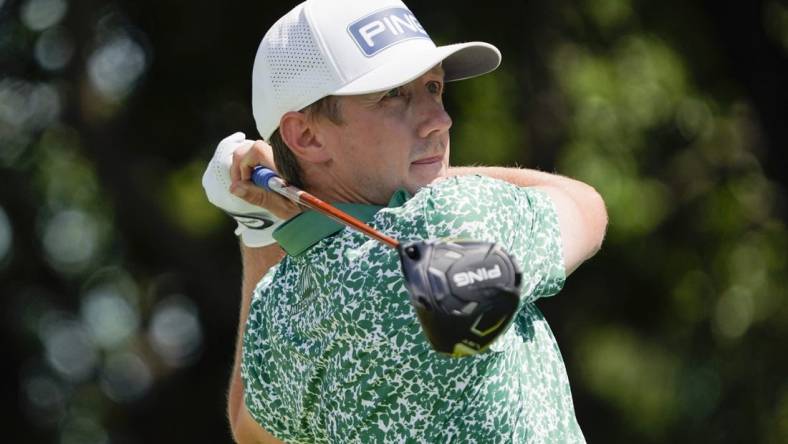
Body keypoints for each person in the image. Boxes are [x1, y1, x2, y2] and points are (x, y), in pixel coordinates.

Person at [202, 0, 608, 442]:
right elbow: (583, 203)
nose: (440, 119)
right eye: (393, 95)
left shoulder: (281, 308)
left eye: (433, 87)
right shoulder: (454, 221)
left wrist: (259, 223)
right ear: (307, 135)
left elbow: (247, 427)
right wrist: (429, 174)